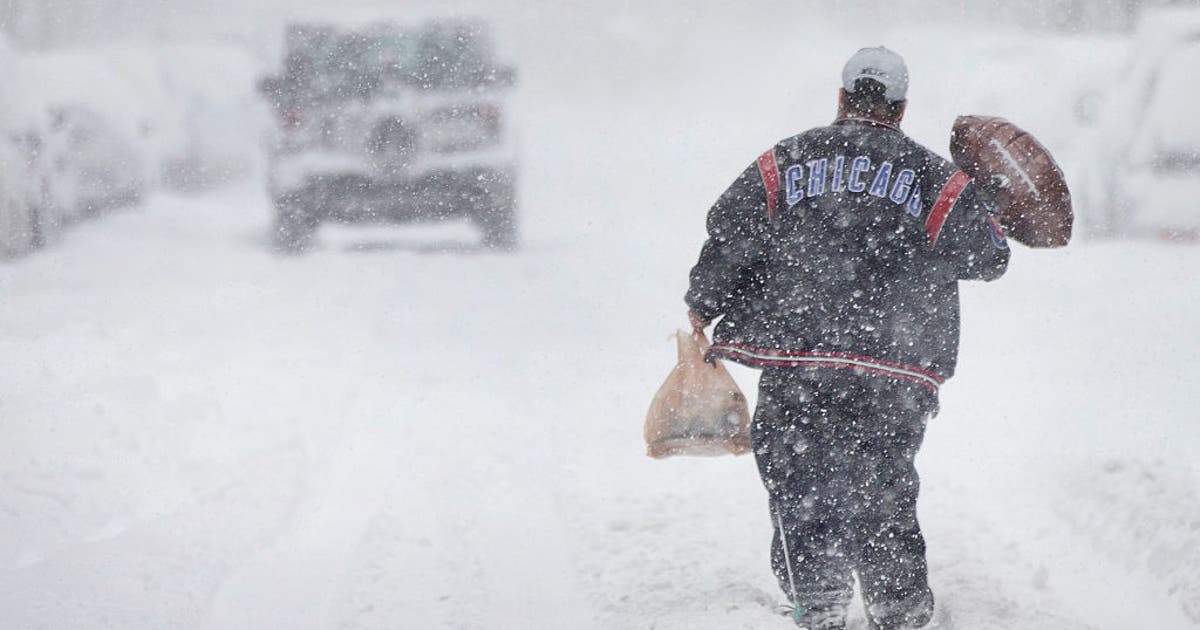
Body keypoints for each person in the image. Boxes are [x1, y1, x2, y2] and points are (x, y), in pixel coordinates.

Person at [684, 47, 1011, 630]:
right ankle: (898, 606)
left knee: (797, 479)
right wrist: (983, 197)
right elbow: (988, 259)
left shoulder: (784, 162)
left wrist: (704, 301)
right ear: (902, 107)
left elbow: (732, 228)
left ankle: (820, 597)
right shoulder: (936, 178)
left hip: (799, 356)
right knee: (883, 483)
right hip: (895, 367)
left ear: (841, 98)